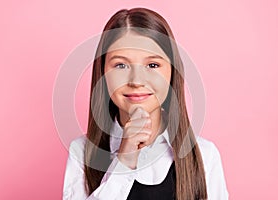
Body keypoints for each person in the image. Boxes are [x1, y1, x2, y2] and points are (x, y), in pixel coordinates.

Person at [63, 7, 229, 200]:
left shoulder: (204, 155)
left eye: (152, 65)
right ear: (103, 74)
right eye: (120, 65)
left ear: (172, 72)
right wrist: (124, 160)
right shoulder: (82, 152)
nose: (136, 80)